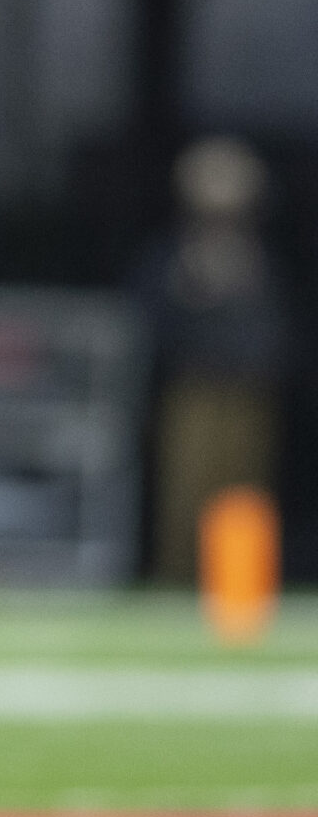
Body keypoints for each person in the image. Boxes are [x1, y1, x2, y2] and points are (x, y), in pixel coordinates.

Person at [139, 136, 289, 583]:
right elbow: (156, 317)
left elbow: (277, 324)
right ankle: (180, 577)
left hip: (250, 388)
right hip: (194, 388)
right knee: (188, 487)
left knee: (245, 490)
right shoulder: (178, 254)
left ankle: (242, 579)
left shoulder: (260, 255)